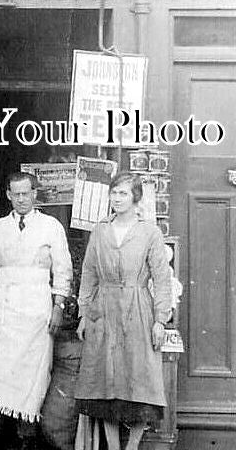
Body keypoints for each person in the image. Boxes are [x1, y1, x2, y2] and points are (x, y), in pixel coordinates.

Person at [75, 172, 172, 450]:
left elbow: (162, 279)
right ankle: (114, 446)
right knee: (105, 383)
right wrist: (84, 313)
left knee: (140, 380)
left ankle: (132, 447)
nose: (116, 199)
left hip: (138, 309)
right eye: (113, 193)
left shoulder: (150, 233)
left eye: (123, 194)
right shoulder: (101, 229)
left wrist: (160, 320)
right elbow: (89, 273)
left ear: (136, 199)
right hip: (103, 311)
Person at [0, 172, 73, 450]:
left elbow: (62, 270)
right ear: (8, 195)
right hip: (1, 313)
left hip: (36, 311)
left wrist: (58, 306)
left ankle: (25, 439)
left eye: (26, 193)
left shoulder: (50, 226)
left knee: (33, 377)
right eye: (15, 194)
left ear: (35, 193)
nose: (21, 199)